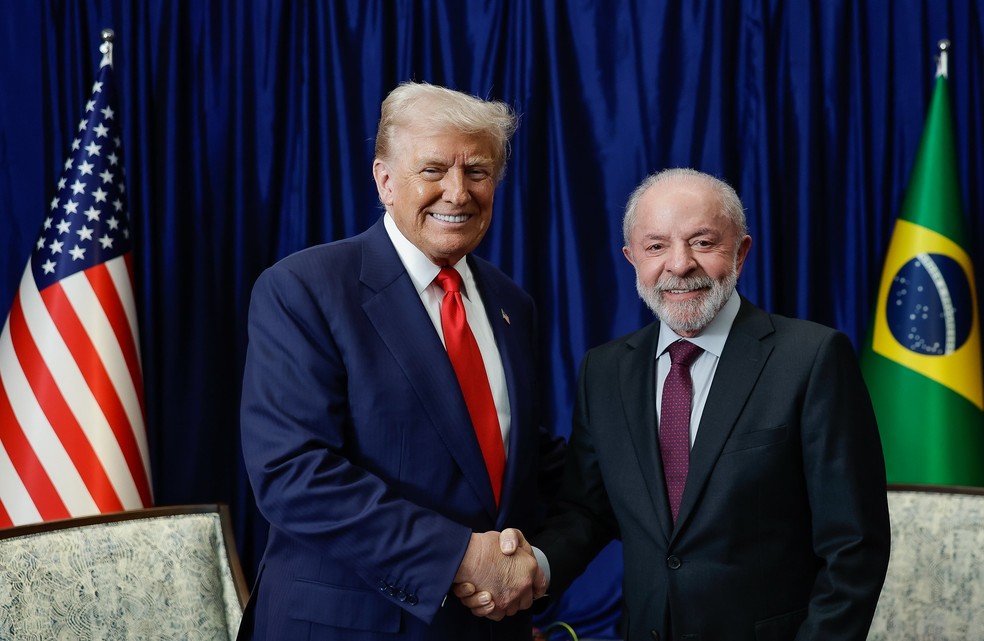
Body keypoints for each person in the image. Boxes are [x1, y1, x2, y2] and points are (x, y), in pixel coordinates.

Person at [460, 168, 891, 640]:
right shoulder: (604, 372)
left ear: (741, 252)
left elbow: (854, 548)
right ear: (632, 259)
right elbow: (586, 510)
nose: (680, 265)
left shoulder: (811, 359)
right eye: (656, 246)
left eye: (703, 243)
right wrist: (533, 568)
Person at [238, 81, 565, 640]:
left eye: (478, 172)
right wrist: (463, 557)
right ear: (385, 180)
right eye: (433, 170)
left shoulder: (512, 304)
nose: (458, 193)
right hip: (348, 626)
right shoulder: (303, 289)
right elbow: (293, 472)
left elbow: (514, 458)